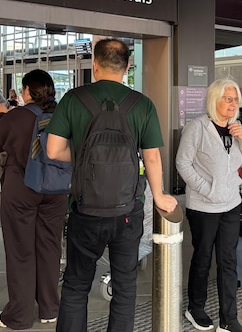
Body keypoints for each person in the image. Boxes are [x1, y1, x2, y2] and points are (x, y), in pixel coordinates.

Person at [45, 38, 177, 332]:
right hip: (127, 212)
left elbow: (52, 150)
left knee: (77, 284)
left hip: (85, 211)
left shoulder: (73, 99)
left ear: (94, 65)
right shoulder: (141, 104)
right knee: (125, 285)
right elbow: (152, 158)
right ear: (128, 66)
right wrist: (160, 197)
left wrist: (80, 157)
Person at [0, 70, 67, 329]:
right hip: (56, 189)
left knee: (21, 249)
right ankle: (50, 308)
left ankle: (18, 315)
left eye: (23, 89)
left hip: (22, 189)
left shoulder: (17, 115)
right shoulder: (62, 114)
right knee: (50, 247)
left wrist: (0, 116)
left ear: (28, 91)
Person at [176, 78, 242, 332]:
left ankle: (228, 320)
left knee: (228, 261)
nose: (233, 104)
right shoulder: (197, 127)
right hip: (204, 207)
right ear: (215, 100)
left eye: (235, 99)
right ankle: (195, 308)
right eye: (228, 99)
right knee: (202, 258)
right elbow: (182, 163)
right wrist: (207, 189)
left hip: (231, 204)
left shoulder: (236, 127)